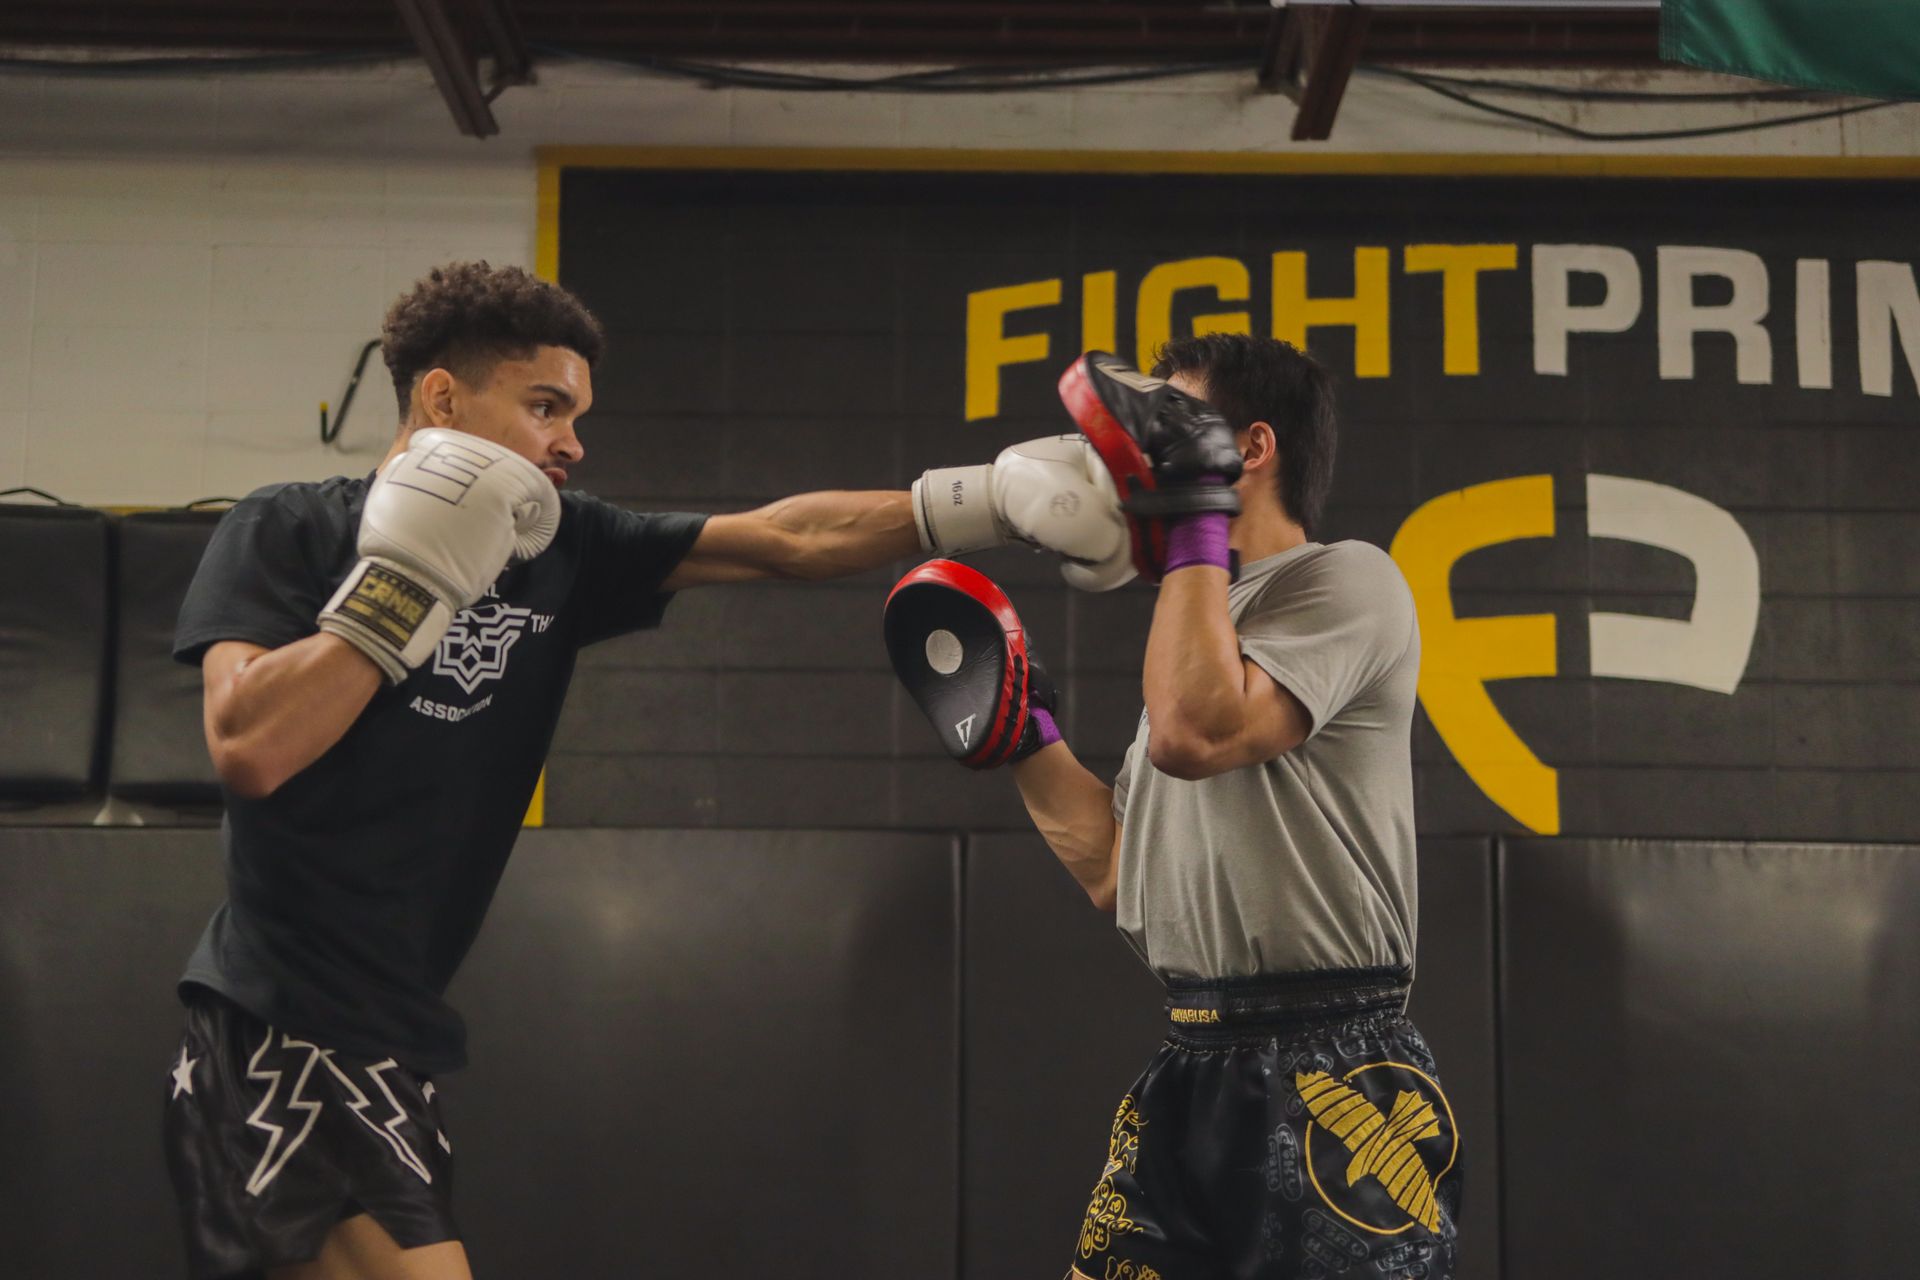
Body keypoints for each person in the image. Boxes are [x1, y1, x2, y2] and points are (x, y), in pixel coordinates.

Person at [160, 260, 1124, 1280]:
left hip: (385, 1040)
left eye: (577, 414)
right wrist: (407, 579)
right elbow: (251, 742)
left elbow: (781, 540)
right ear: (442, 396)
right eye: (545, 406)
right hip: (282, 1027)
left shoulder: (562, 549)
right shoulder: (289, 525)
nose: (572, 440)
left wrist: (988, 501)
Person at [895, 335, 1459, 1280]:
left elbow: (1195, 734)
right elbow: (1122, 874)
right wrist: (1025, 737)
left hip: (1334, 1066)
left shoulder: (1350, 579)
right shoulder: (1198, 631)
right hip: (1192, 1058)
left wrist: (1193, 520)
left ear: (1249, 449)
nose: (1133, 459)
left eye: (1167, 431)